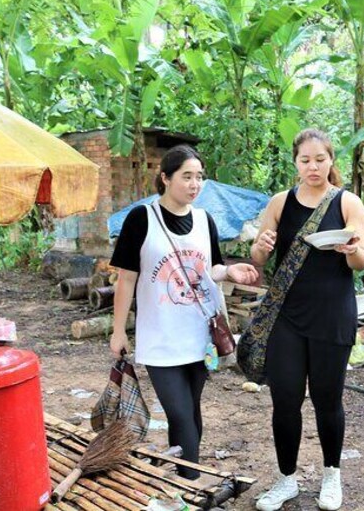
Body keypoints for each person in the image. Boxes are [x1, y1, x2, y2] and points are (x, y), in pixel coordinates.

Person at [108, 144, 258, 480]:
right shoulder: (141, 218)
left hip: (200, 336)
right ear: (165, 178)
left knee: (190, 410)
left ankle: (183, 482)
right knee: (178, 412)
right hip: (160, 337)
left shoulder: (205, 220)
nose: (194, 184)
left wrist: (230, 272)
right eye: (186, 176)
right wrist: (119, 331)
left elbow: (212, 269)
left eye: (199, 177)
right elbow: (126, 279)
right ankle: (193, 483)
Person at [250, 128, 364, 511]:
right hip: (286, 317)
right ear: (295, 163)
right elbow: (258, 258)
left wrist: (350, 249)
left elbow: (361, 260)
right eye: (305, 160)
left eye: (320, 159)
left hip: (332, 317)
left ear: (331, 160)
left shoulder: (349, 203)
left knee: (326, 400)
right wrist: (259, 246)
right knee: (284, 400)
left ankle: (331, 475)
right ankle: (286, 479)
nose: (313, 166)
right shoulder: (280, 203)